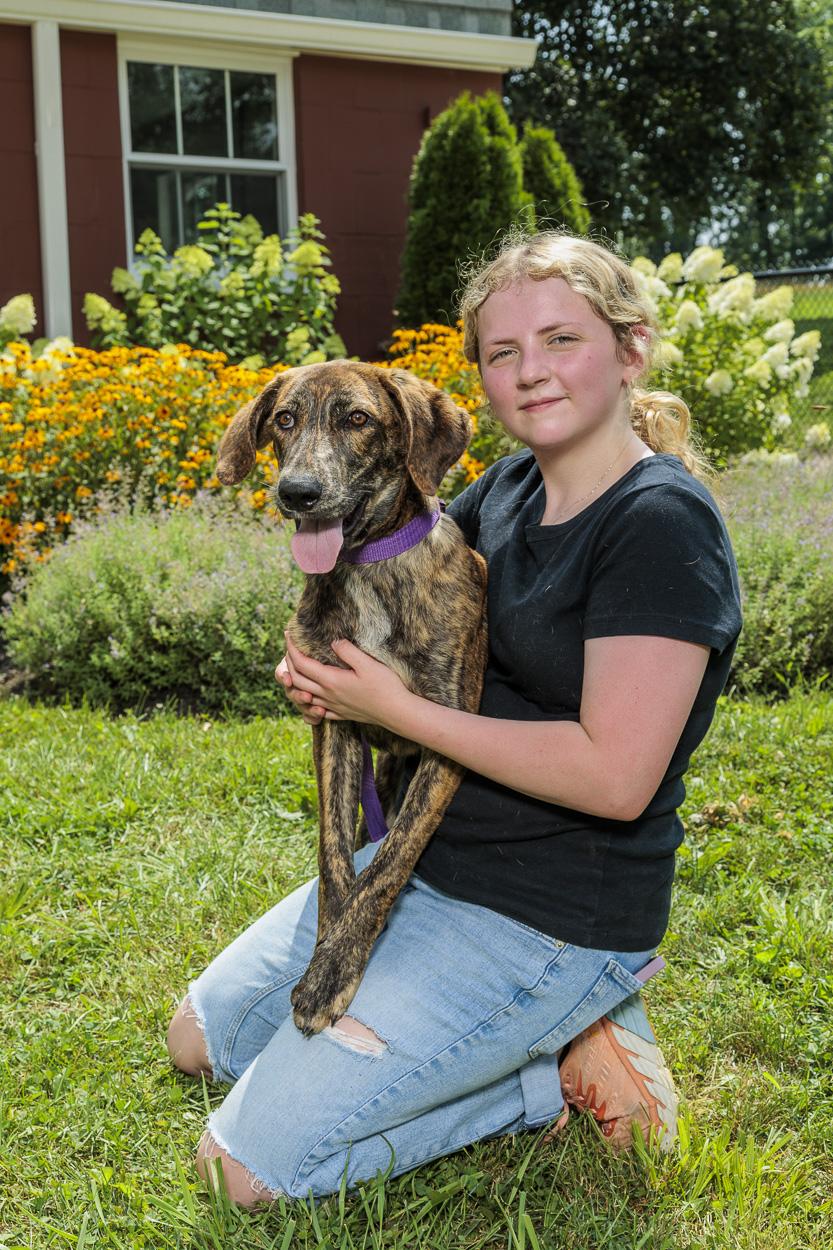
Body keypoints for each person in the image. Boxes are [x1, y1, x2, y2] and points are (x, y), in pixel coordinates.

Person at [166, 231, 742, 1207]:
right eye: (502, 350)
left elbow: (616, 778)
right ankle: (510, 1037)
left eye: (560, 339)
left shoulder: (656, 527)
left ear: (630, 349)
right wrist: (321, 669)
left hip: (546, 911)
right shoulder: (506, 488)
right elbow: (395, 597)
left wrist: (392, 709)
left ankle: (542, 1068)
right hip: (424, 859)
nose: (530, 370)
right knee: (199, 1040)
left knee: (242, 1172)